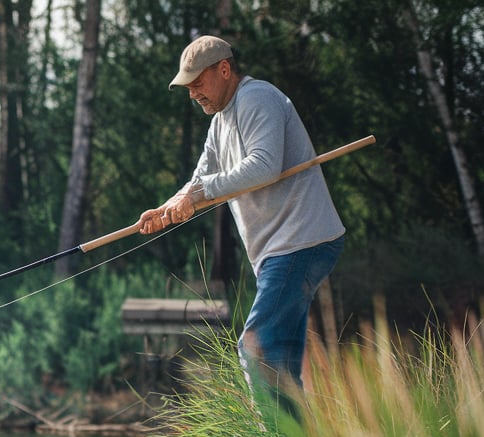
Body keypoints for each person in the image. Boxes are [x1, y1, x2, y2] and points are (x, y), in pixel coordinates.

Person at [135, 35, 344, 404]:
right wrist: (167, 208)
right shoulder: (220, 122)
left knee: (255, 348)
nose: (192, 93)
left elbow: (264, 167)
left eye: (197, 83)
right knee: (278, 362)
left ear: (225, 69)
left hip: (300, 241)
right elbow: (200, 179)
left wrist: (197, 194)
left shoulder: (256, 98)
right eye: (188, 87)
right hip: (279, 251)